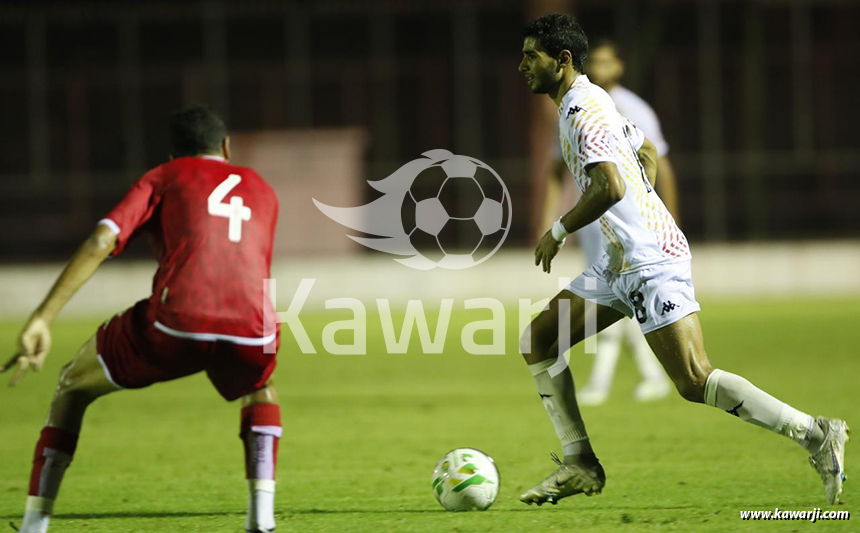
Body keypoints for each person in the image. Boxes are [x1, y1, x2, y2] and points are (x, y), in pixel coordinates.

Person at [517, 14, 848, 506]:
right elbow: (646, 150)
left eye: (531, 56)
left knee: (694, 379)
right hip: (620, 261)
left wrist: (559, 231)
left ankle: (816, 433)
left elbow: (611, 186)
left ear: (562, 60)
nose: (522, 65)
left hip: (649, 260)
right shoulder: (586, 102)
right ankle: (580, 461)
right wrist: (642, 205)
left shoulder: (584, 110)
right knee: (539, 340)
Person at [3, 105, 282, 533]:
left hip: (176, 324)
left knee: (72, 385)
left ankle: (34, 525)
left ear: (174, 155)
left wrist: (43, 317)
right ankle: (261, 519)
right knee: (259, 389)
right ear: (227, 147)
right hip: (254, 328)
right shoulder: (262, 187)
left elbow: (103, 238)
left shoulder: (164, 176)